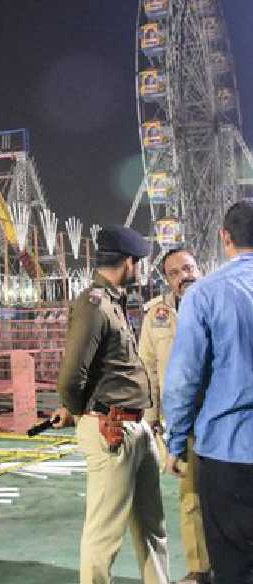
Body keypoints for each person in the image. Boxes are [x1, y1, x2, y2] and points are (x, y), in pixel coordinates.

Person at [53, 224, 169, 584]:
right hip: (111, 429)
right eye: (140, 263)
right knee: (104, 536)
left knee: (153, 528)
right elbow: (71, 376)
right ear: (129, 262)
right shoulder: (93, 305)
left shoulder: (113, 302)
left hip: (136, 428)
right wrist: (78, 411)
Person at [164, 200, 253, 584]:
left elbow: (183, 379)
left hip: (228, 452)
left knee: (234, 566)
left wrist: (175, 440)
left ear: (225, 238)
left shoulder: (206, 294)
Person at [139, 248, 210, 584]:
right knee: (191, 496)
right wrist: (152, 416)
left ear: (200, 268)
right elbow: (149, 369)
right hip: (183, 421)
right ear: (166, 279)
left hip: (223, 415)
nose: (184, 276)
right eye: (174, 272)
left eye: (188, 267)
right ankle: (200, 568)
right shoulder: (157, 316)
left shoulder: (218, 300)